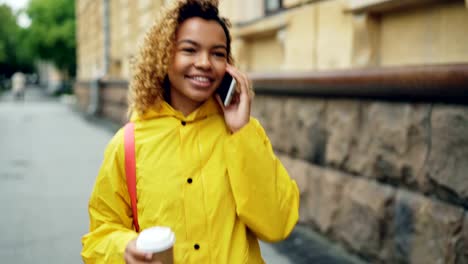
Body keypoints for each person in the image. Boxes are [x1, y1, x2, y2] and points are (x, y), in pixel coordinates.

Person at [81, 0, 299, 263]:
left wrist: (241, 131)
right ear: (164, 55)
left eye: (218, 53)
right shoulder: (127, 144)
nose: (205, 63)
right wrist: (124, 248)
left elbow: (277, 224)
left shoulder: (244, 135)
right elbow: (99, 237)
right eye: (190, 50)